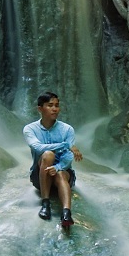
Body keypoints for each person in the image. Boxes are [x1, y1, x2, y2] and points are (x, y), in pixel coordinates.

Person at [23, 91, 83, 227]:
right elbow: (38, 147)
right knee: (48, 154)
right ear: (40, 108)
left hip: (63, 173)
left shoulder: (67, 129)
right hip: (40, 176)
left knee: (61, 174)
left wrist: (57, 167)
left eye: (57, 105)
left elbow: (68, 156)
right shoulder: (30, 129)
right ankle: (45, 203)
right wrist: (67, 145)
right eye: (50, 105)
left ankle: (66, 213)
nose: (55, 109)